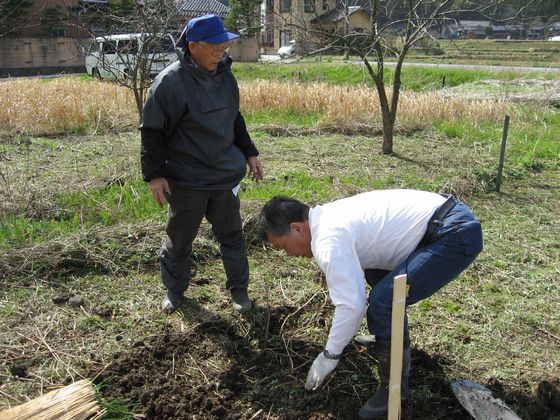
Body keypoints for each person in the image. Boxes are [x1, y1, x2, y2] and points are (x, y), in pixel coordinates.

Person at [259, 189, 483, 419]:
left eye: (282, 246)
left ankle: (392, 392)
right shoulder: (328, 216)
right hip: (443, 220)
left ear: (297, 228)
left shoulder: (328, 239)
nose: (288, 254)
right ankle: (388, 339)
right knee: (377, 276)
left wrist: (329, 356)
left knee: (384, 302)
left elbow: (351, 306)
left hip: (454, 234)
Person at [140, 14, 263, 315]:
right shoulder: (170, 82)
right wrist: (155, 175)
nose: (221, 53)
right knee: (180, 240)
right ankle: (175, 290)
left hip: (224, 177)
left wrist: (250, 152)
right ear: (193, 46)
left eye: (223, 47)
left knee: (232, 237)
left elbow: (234, 118)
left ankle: (239, 291)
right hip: (187, 180)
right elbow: (152, 130)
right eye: (214, 48)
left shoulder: (225, 76)